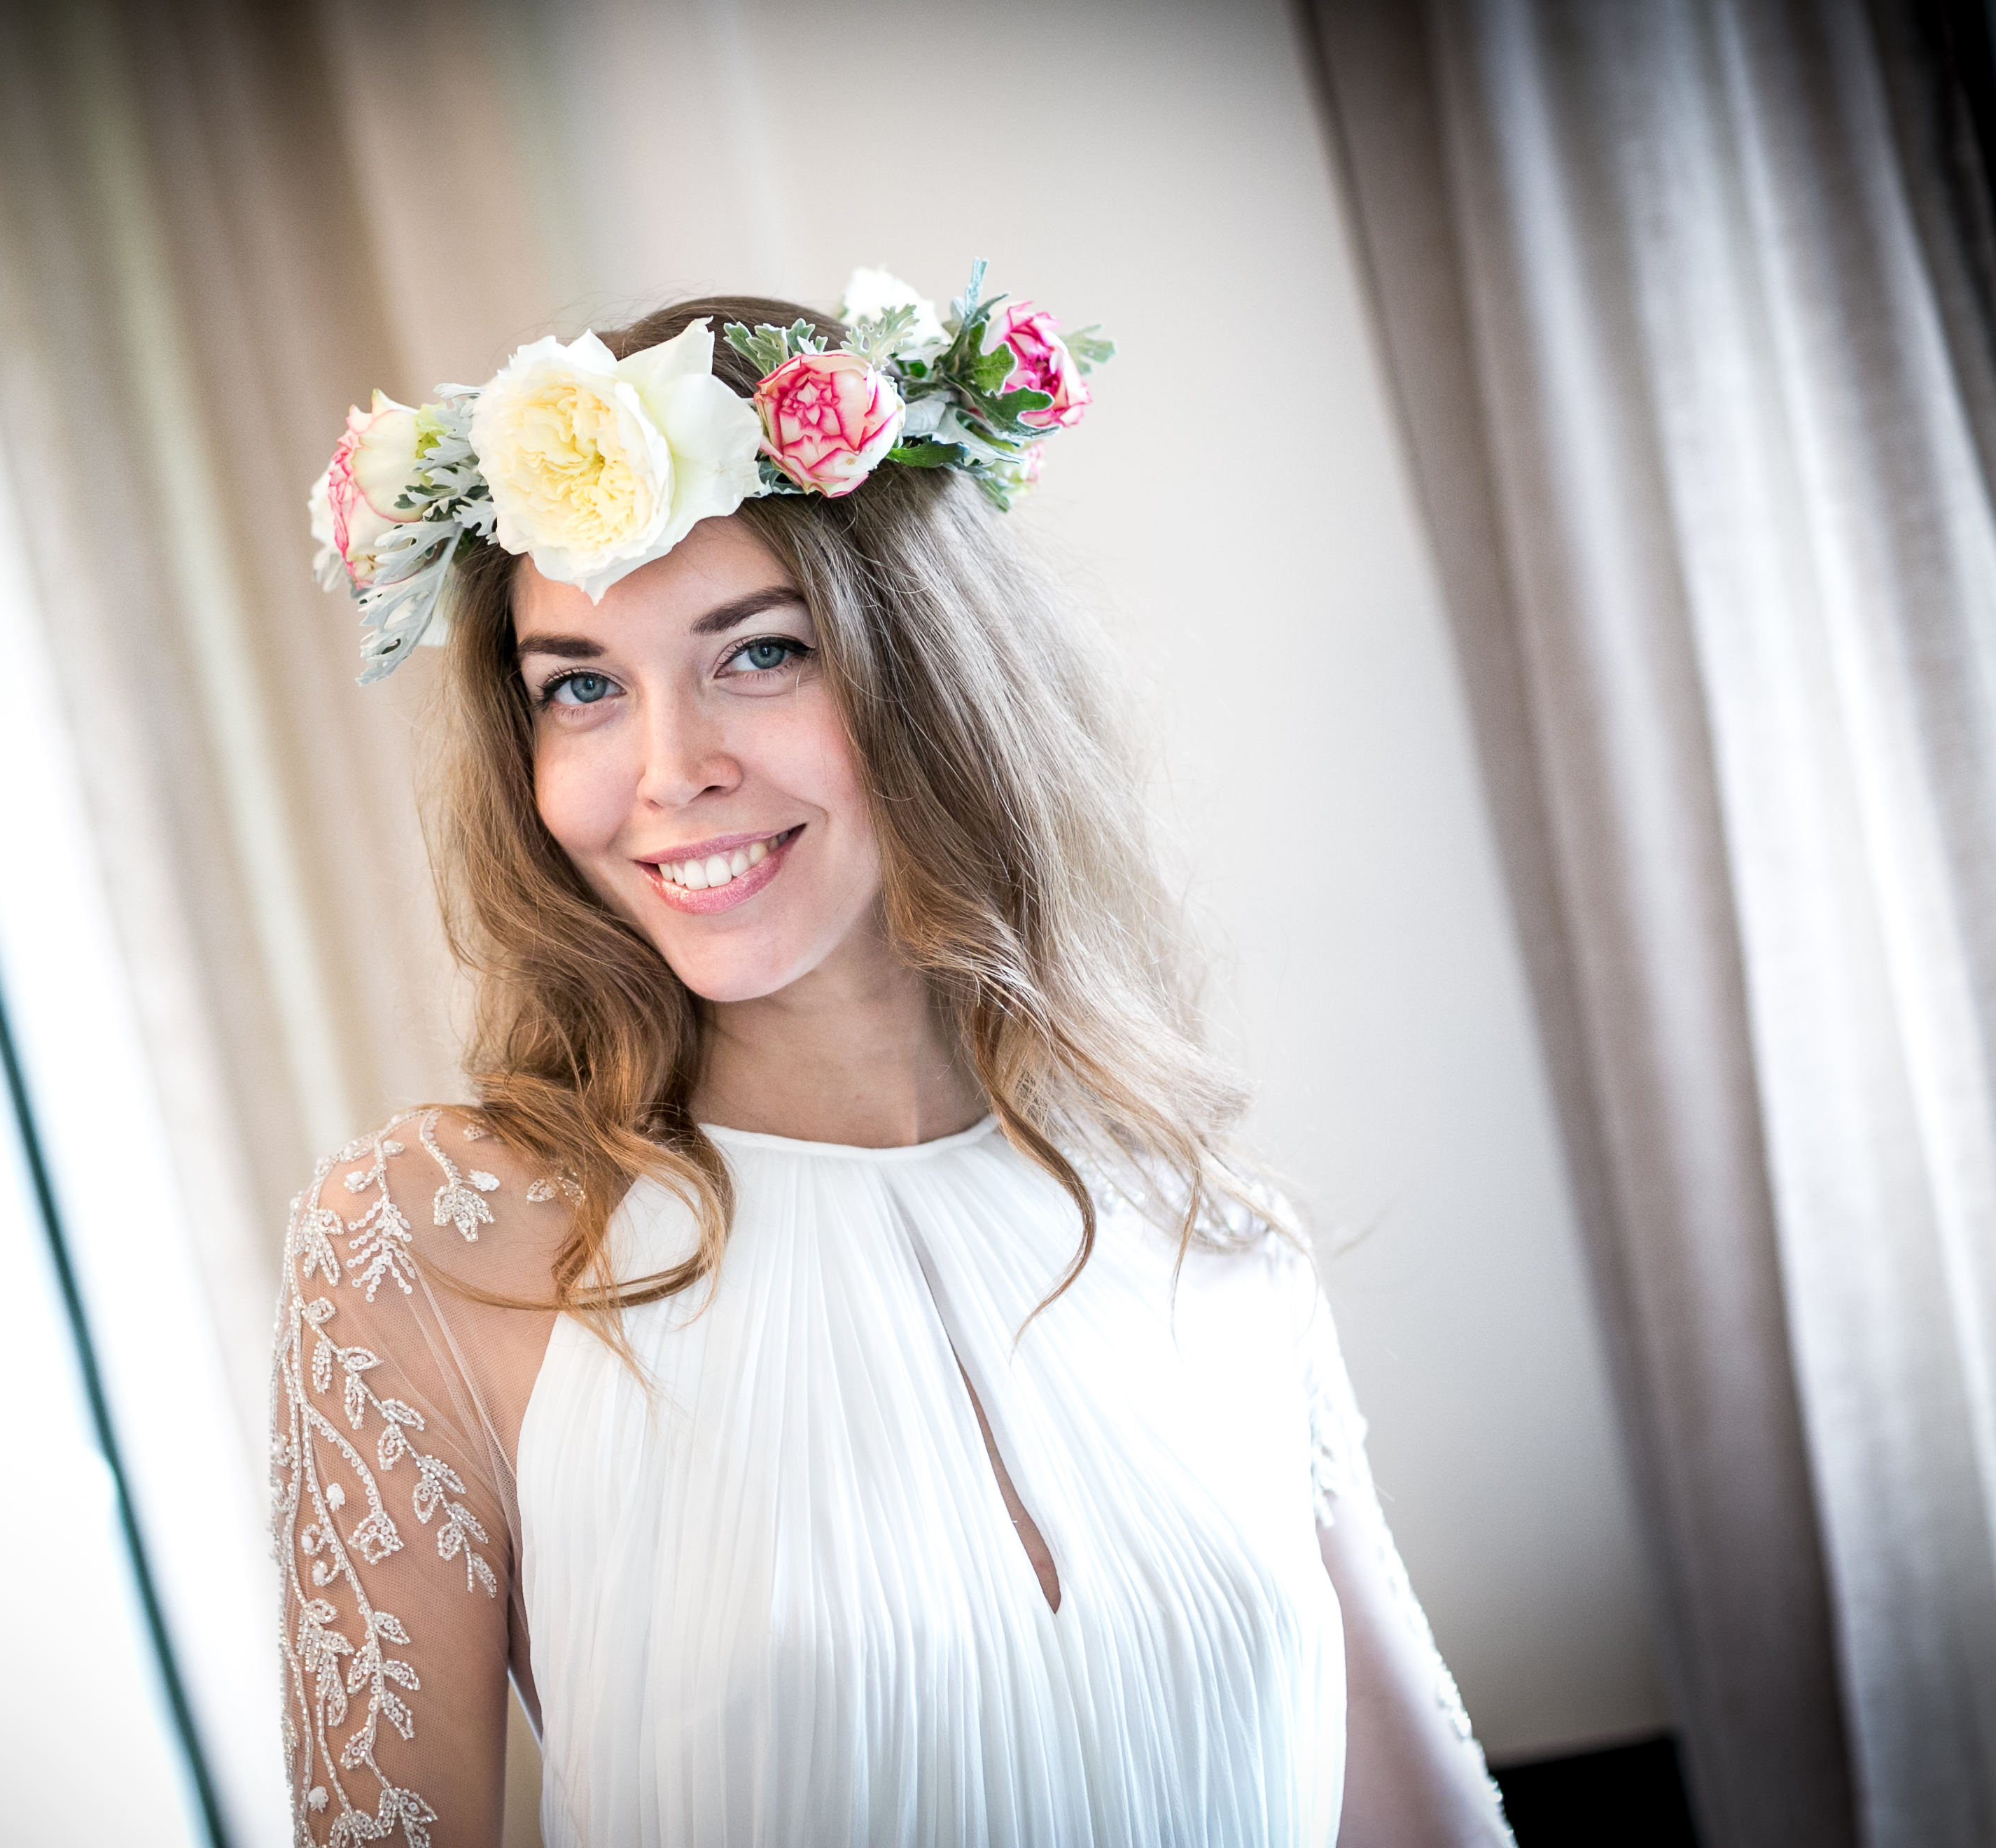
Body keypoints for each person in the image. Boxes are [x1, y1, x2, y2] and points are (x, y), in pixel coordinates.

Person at [274, 272, 1514, 1847]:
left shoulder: (1204, 1220)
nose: (669, 772)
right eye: (582, 687)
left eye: (759, 654)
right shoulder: (433, 1249)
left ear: (927, 672)